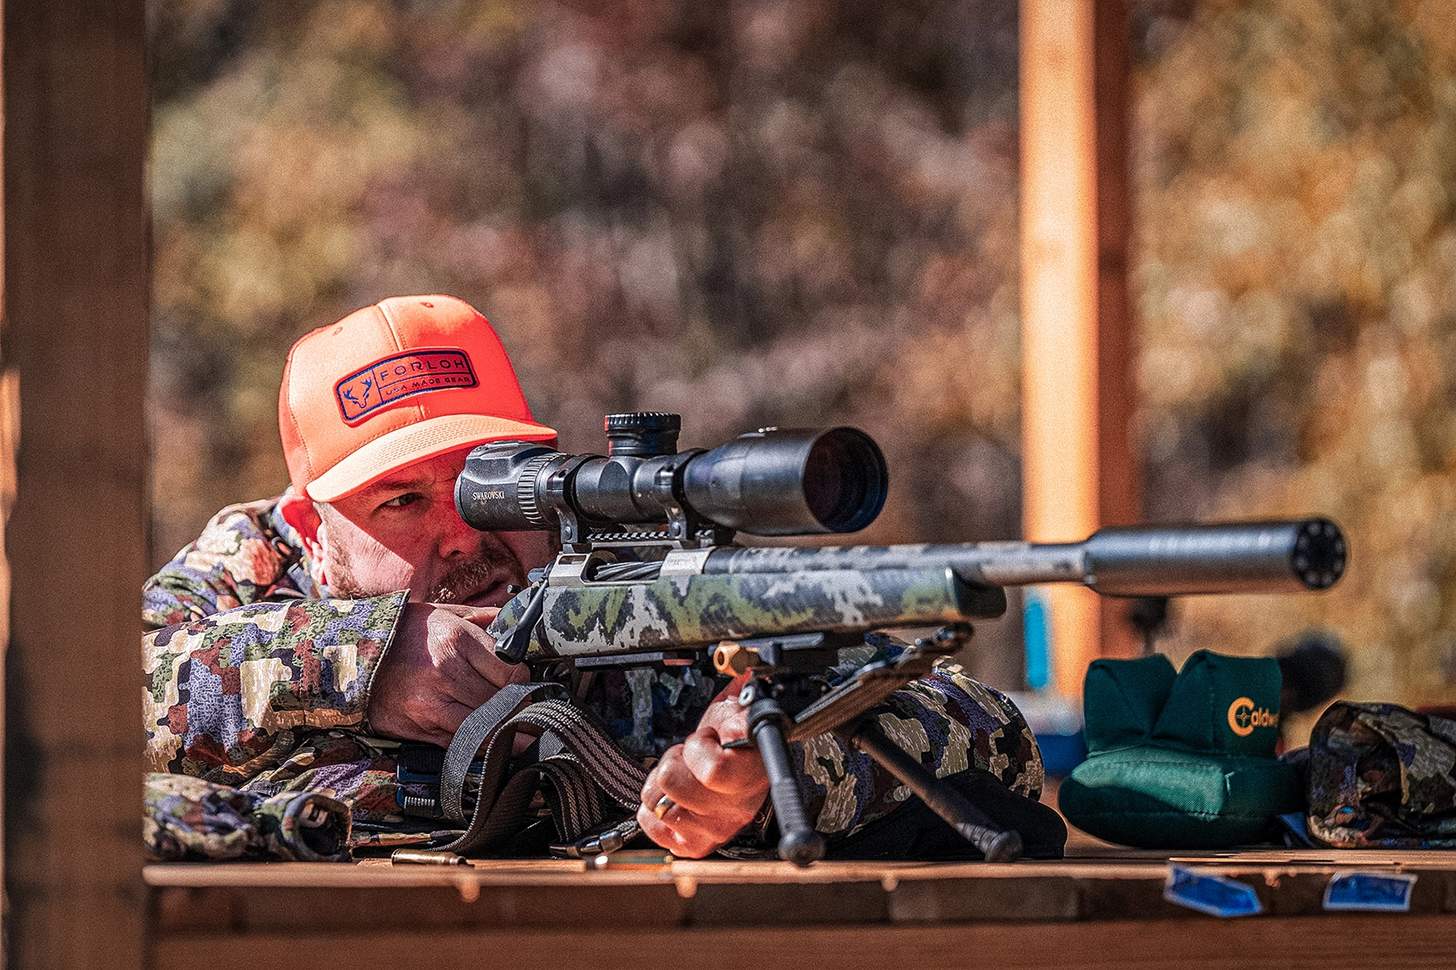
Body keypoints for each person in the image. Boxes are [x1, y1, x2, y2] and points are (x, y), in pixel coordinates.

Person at [143, 294, 1050, 861]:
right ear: (314, 525)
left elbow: (993, 735)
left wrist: (768, 774)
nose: (465, 537)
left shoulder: (613, 584)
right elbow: (81, 703)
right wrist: (366, 664)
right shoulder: (256, 568)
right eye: (401, 503)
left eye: (484, 486)